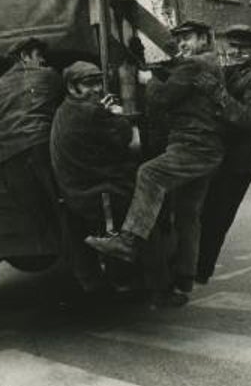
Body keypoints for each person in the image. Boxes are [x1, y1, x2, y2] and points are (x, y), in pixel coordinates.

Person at [85, 20, 227, 302]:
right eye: (179, 39)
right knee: (188, 213)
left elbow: (162, 98)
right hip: (207, 149)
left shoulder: (194, 65)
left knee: (149, 173)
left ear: (203, 39)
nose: (182, 44)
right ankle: (186, 276)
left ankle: (128, 241)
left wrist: (149, 81)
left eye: (188, 38)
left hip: (192, 145)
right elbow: (183, 89)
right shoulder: (208, 64)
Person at [50, 61, 138, 295]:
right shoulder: (91, 111)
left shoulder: (64, 109)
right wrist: (116, 114)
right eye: (89, 84)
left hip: (74, 187)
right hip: (96, 190)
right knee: (140, 190)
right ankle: (123, 278)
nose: (97, 88)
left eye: (98, 82)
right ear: (72, 88)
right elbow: (124, 135)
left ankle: (93, 277)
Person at [196, 24, 251, 284]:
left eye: (243, 48)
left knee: (217, 217)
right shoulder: (232, 71)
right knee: (204, 213)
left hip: (240, 161)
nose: (236, 52)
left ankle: (201, 271)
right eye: (233, 47)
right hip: (222, 157)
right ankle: (192, 266)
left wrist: (217, 94)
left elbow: (249, 119)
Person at [0, 37, 66, 259]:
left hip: (9, 159)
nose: (43, 60)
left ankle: (46, 246)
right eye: (39, 56)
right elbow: (67, 106)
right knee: (64, 213)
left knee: (37, 215)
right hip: (42, 149)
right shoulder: (49, 76)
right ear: (24, 56)